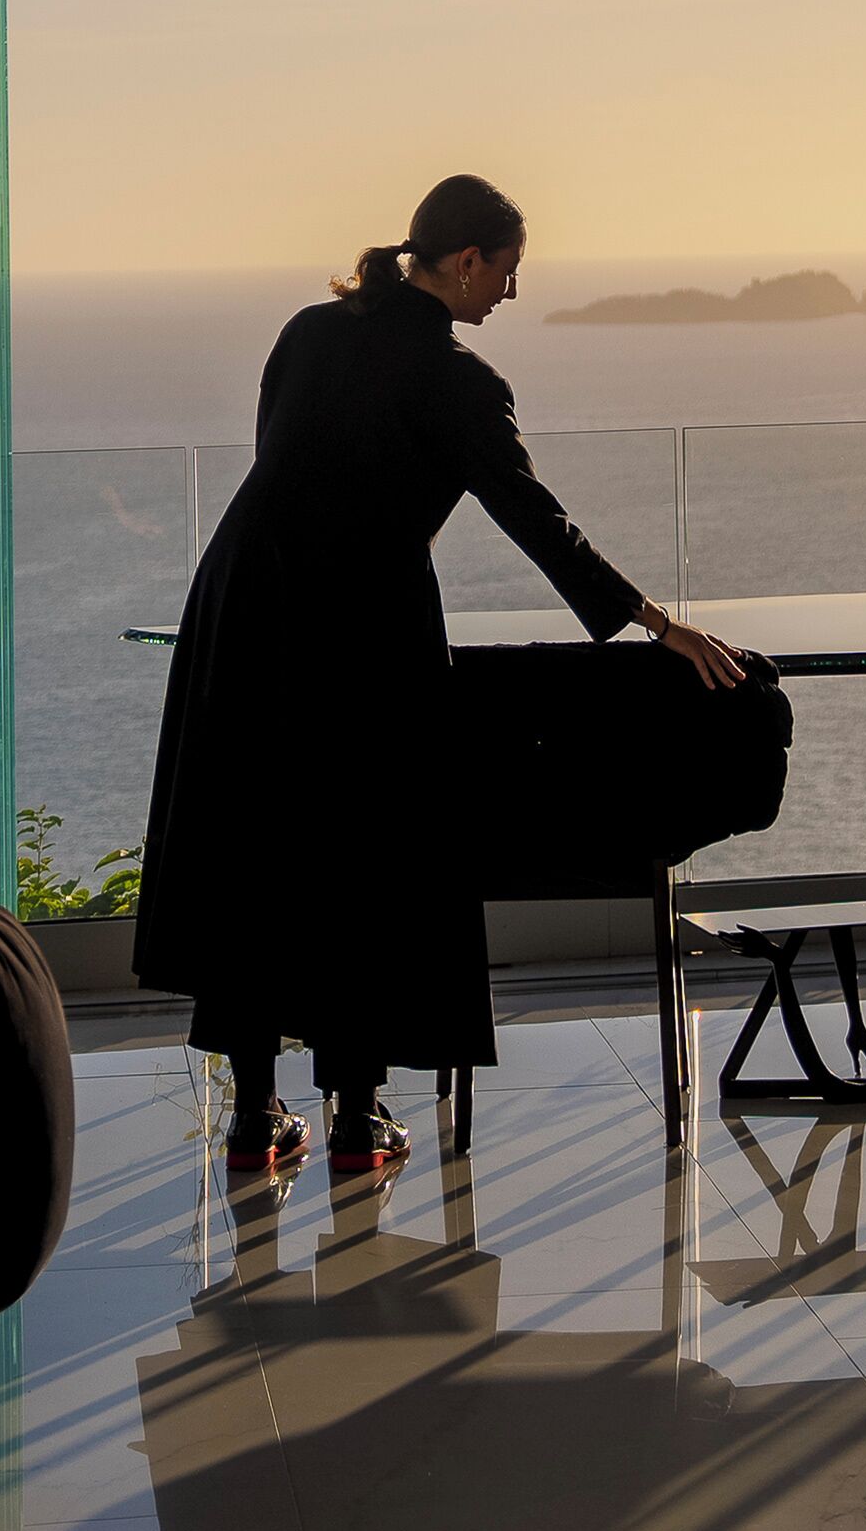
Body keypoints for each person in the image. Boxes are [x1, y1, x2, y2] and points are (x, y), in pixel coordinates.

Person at [134, 173, 754, 1173]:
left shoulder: (308, 330)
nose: (509, 293)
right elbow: (536, 519)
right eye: (507, 271)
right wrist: (657, 620)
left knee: (260, 846)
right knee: (370, 858)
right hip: (361, 629)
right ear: (468, 260)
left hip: (246, 606)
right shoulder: (460, 382)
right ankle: (355, 1118)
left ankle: (254, 1118)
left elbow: (284, 464)